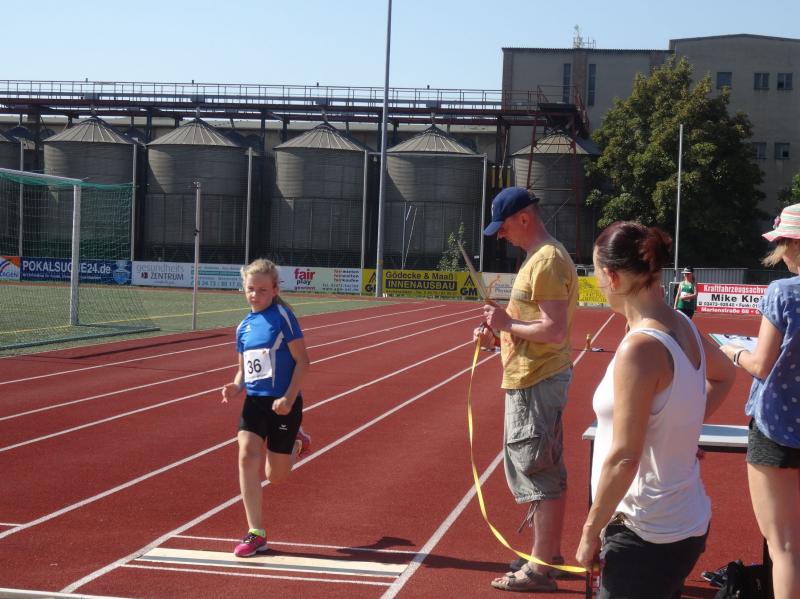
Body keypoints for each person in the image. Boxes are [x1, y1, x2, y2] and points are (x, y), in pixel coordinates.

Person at [575, 221, 735, 598]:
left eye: (596, 273)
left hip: (644, 529)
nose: (597, 283)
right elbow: (725, 375)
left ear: (612, 277)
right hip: (681, 520)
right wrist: (679, 430)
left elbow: (624, 456)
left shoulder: (640, 348)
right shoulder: (682, 324)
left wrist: (590, 530)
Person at [474, 186, 578, 592]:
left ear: (524, 218)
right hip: (533, 374)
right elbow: (532, 325)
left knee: (538, 470)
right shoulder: (539, 258)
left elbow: (553, 330)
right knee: (545, 467)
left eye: (503, 227)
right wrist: (499, 333)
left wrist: (506, 324)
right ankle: (547, 554)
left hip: (536, 378)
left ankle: (539, 567)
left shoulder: (546, 260)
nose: (501, 235)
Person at [718, 203, 800, 599]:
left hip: (777, 428)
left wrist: (733, 351)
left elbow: (762, 364)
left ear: (792, 246)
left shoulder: (783, 292)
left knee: (783, 546)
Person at [221, 258, 312, 558]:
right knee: (246, 454)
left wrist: (288, 398)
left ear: (274, 290)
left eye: (262, 290)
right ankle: (256, 532)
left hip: (284, 404)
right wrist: (236, 386)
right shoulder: (243, 327)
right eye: (250, 289)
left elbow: (303, 362)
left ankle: (297, 441)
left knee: (276, 477)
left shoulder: (283, 317)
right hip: (255, 402)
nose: (255, 295)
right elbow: (243, 369)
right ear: (244, 289)